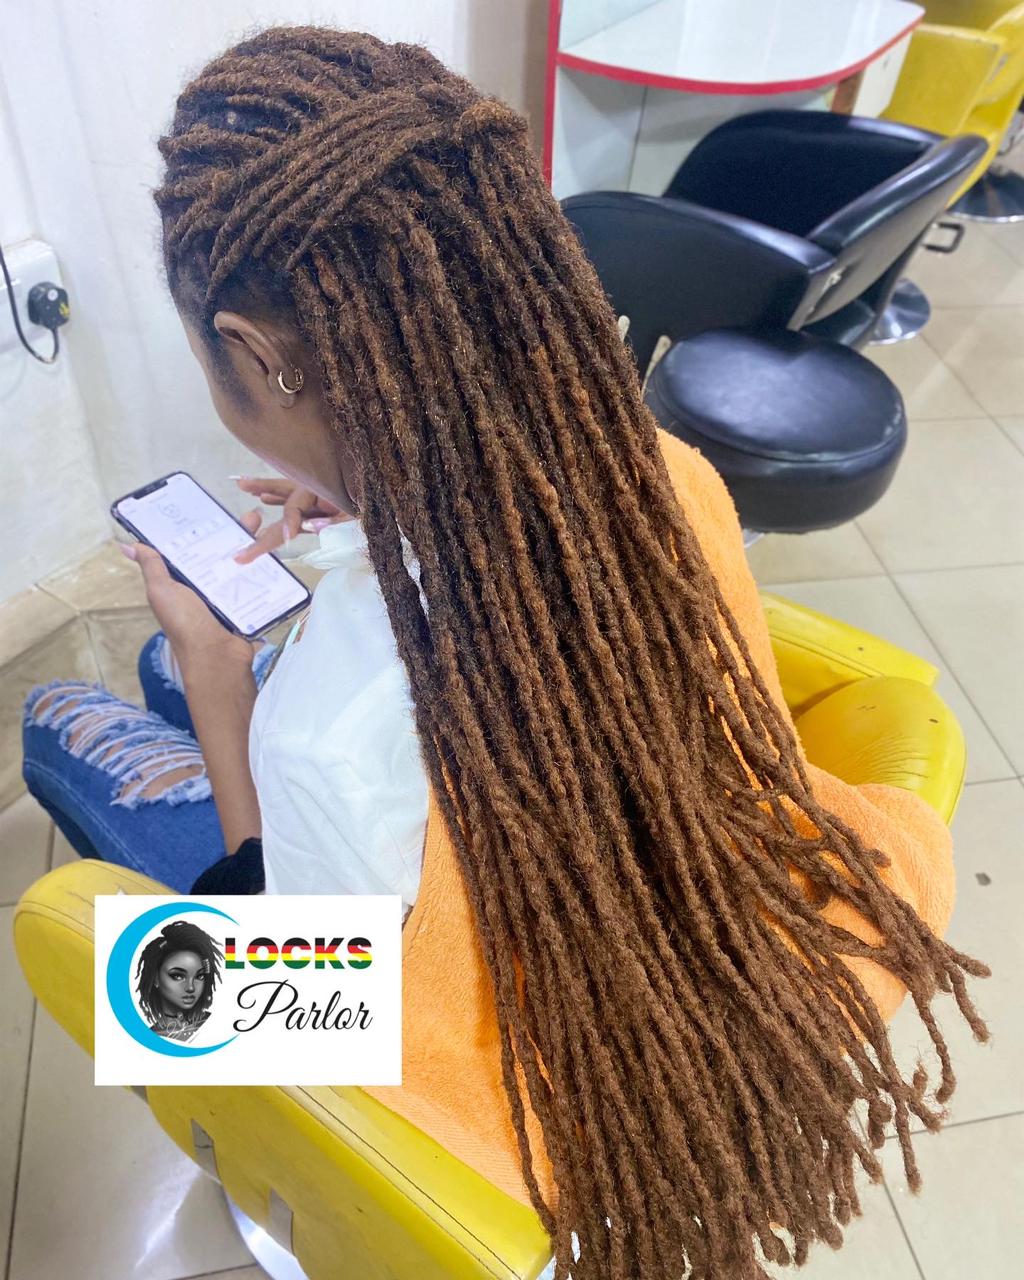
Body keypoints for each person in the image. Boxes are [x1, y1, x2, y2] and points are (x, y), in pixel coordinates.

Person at [20, 28, 989, 1280]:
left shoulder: (323, 736)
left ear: (256, 352)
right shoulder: (661, 474)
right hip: (617, 966)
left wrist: (218, 688)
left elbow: (299, 989)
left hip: (455, 1102)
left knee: (68, 726)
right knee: (225, 668)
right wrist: (376, 510)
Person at [134, 919, 222, 1042]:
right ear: (155, 978)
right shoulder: (145, 1040)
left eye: (200, 976)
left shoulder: (218, 1024)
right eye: (177, 976)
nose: (190, 987)